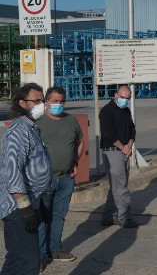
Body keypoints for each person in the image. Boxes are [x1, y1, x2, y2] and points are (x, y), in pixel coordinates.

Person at [0, 83, 52, 274]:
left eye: (42, 100)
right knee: (30, 262)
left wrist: (40, 204)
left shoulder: (31, 127)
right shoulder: (19, 131)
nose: (41, 105)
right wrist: (26, 208)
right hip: (18, 207)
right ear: (22, 103)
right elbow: (12, 172)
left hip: (32, 201)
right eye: (36, 101)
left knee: (15, 258)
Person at [37, 86, 84, 267]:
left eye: (62, 101)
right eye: (55, 101)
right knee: (42, 218)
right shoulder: (38, 121)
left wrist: (75, 162)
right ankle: (40, 254)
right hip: (44, 179)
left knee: (58, 216)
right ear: (46, 102)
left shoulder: (70, 120)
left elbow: (79, 142)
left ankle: (54, 249)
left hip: (66, 178)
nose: (58, 104)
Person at [99, 85, 137, 228]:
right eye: (122, 97)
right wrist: (123, 147)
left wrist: (129, 144)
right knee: (121, 186)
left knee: (116, 185)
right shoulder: (106, 111)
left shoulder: (126, 111)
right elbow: (108, 133)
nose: (125, 100)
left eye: (128, 98)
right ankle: (124, 218)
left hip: (124, 150)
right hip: (112, 151)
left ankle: (107, 216)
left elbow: (132, 129)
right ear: (116, 95)